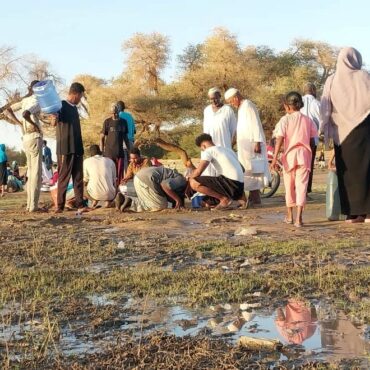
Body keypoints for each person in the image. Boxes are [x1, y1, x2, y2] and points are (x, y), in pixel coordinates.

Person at [320, 47, 370, 223]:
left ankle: (352, 213)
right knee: (365, 170)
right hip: (364, 130)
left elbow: (325, 107)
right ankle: (368, 212)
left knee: (346, 173)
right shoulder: (364, 76)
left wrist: (323, 128)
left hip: (342, 133)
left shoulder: (332, 80)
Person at [271, 92, 317, 227]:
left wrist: (274, 158)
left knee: (289, 186)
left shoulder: (285, 120)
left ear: (287, 106)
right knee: (302, 186)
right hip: (304, 155)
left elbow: (279, 139)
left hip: (289, 156)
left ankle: (289, 216)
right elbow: (313, 140)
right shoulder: (308, 120)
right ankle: (299, 219)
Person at [225, 88, 270, 207]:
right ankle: (253, 196)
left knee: (254, 170)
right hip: (244, 147)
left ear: (235, 97)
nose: (231, 104)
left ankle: (255, 198)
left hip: (252, 145)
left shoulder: (248, 105)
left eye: (231, 101)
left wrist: (257, 142)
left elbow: (255, 124)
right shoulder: (241, 108)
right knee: (248, 170)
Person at [7, 80, 44, 212]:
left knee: (30, 171)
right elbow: (25, 114)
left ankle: (30, 205)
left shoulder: (25, 101)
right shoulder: (37, 100)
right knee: (36, 173)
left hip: (26, 138)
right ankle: (33, 206)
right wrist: (35, 125)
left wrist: (19, 124)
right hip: (34, 136)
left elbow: (8, 109)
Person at [50, 82, 86, 213]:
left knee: (78, 177)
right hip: (65, 148)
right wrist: (53, 118)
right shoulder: (61, 105)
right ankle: (59, 206)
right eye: (81, 97)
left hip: (77, 148)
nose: (80, 99)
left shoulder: (75, 108)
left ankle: (80, 204)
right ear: (76, 94)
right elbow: (53, 122)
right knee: (63, 177)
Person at [189, 133, 246, 210]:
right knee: (205, 202)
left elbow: (198, 172)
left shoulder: (208, 151)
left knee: (194, 182)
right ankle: (242, 199)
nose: (202, 150)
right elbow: (242, 169)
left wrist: (189, 178)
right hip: (240, 187)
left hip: (230, 184)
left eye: (202, 149)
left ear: (203, 146)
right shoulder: (228, 150)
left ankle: (224, 199)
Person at [117, 166, 188, 212]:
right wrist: (177, 200)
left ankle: (124, 200)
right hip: (148, 179)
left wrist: (177, 203)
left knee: (148, 201)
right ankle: (131, 204)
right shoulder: (181, 180)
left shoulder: (173, 176)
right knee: (160, 206)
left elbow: (169, 192)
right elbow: (165, 185)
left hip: (139, 177)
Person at [203, 87, 237, 176]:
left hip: (224, 145)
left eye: (215, 98)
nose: (214, 101)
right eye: (211, 99)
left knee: (224, 171)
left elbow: (233, 130)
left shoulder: (228, 110)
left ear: (219, 96)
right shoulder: (207, 110)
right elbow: (205, 129)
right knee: (209, 171)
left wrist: (230, 146)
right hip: (208, 146)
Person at [100, 103, 129, 184]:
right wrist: (101, 151)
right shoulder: (107, 122)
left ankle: (118, 191)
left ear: (119, 111)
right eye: (113, 113)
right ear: (110, 112)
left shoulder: (123, 122)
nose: (114, 114)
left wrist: (130, 150)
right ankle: (110, 190)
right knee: (109, 173)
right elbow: (102, 137)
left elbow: (126, 138)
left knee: (119, 174)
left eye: (116, 112)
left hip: (120, 153)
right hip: (109, 153)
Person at [300, 82, 321, 194]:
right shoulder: (317, 104)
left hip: (299, 138)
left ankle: (298, 189)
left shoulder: (299, 102)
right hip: (312, 139)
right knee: (309, 165)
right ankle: (306, 190)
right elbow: (322, 121)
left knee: (299, 163)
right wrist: (320, 133)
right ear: (313, 91)